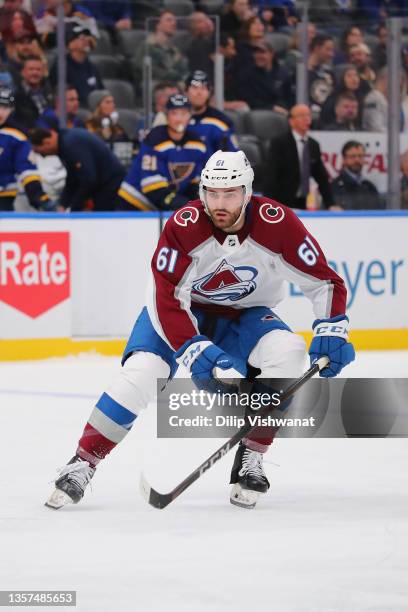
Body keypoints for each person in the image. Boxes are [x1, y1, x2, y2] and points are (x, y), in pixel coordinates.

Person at [45, 149, 355, 511]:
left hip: (244, 315)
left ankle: (251, 456)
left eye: (230, 194)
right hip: (177, 313)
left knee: (289, 353)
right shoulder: (184, 225)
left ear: (248, 191)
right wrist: (193, 349)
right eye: (211, 193)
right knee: (142, 373)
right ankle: (83, 461)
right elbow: (165, 296)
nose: (219, 203)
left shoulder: (278, 223)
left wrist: (333, 328)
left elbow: (324, 282)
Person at [116, 94, 207, 212]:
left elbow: (194, 183)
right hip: (134, 202)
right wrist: (185, 204)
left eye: (183, 113)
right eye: (174, 113)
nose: (179, 119)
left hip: (164, 204)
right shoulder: (154, 139)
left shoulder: (197, 144)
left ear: (190, 116)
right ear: (167, 116)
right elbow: (152, 188)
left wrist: (196, 202)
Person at [29, 126, 126, 211]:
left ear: (47, 142)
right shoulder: (65, 142)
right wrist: (63, 204)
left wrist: (74, 208)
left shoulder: (70, 144)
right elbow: (72, 178)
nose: (44, 157)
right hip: (104, 184)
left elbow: (88, 179)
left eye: (41, 153)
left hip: (110, 186)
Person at [264, 104, 334, 209]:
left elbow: (321, 177)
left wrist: (331, 204)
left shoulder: (313, 145)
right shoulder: (279, 143)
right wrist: (268, 204)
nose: (306, 119)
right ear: (291, 121)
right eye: (302, 116)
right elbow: (271, 175)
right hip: (280, 202)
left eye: (308, 115)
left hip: (302, 201)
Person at [0, 87, 54, 211]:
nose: (1, 113)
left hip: (3, 199)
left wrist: (38, 195)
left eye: (5, 108)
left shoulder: (15, 137)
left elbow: (27, 170)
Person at [50, 22, 104, 106]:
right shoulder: (61, 67)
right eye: (81, 37)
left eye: (86, 36)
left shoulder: (92, 67)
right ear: (70, 44)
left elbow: (102, 92)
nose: (86, 40)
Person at [186, 70, 238, 156]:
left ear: (209, 93)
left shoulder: (222, 121)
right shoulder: (174, 118)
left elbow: (232, 155)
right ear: (186, 91)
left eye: (203, 88)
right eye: (194, 88)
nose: (199, 92)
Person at [133, 10, 188, 84]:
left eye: (174, 20)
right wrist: (172, 76)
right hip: (156, 85)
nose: (174, 23)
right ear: (157, 25)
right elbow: (144, 69)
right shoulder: (147, 47)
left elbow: (183, 69)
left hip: (174, 84)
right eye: (169, 20)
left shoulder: (174, 49)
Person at [331, 140, 383, 210]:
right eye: (352, 156)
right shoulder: (334, 187)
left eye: (360, 156)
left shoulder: (370, 187)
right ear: (344, 159)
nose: (357, 160)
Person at [12, 54, 54, 129]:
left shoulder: (51, 91)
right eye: (31, 69)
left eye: (38, 69)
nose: (35, 73)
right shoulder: (16, 95)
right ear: (23, 72)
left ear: (43, 72)